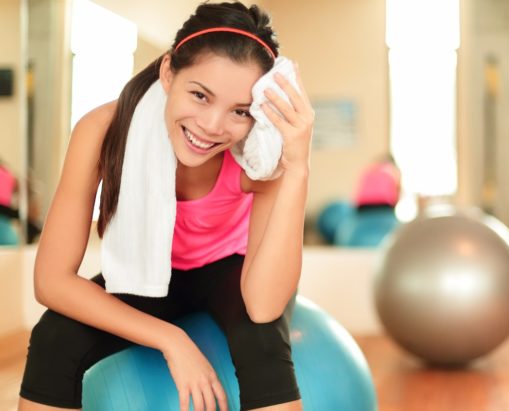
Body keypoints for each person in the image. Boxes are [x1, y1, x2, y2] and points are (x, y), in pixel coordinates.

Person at [18, 2, 313, 411]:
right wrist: (171, 339)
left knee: (259, 338)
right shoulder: (102, 131)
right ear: (168, 71)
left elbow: (262, 305)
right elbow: (51, 282)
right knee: (54, 336)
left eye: (240, 111)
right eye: (199, 95)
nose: (212, 126)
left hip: (235, 267)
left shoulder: (258, 157)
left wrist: (297, 167)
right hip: (149, 269)